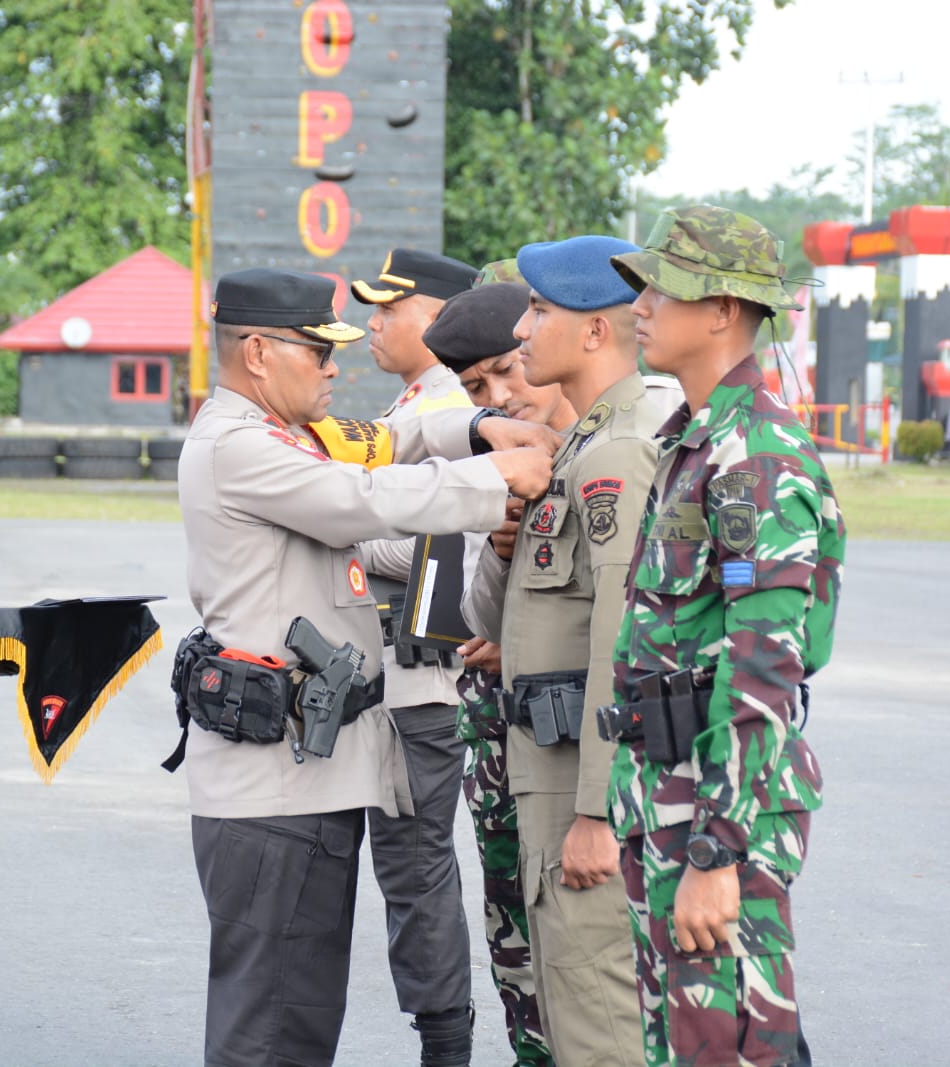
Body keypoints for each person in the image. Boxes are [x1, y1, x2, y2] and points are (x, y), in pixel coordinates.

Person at [174, 268, 555, 1067]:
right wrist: (496, 477)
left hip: (303, 781)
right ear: (256, 353)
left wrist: (479, 428)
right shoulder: (240, 444)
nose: (332, 367)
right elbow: (365, 498)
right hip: (270, 792)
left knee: (300, 1018)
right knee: (270, 1029)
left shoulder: (281, 430)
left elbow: (394, 437)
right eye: (317, 351)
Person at [603, 205, 846, 1067]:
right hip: (666, 800)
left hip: (715, 814)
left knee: (730, 1047)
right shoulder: (695, 443)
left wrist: (716, 848)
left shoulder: (755, 458)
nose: (639, 305)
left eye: (661, 287)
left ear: (721, 311)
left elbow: (763, 672)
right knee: (685, 1044)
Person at [465, 234, 659, 1067]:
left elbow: (622, 644)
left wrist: (595, 812)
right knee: (571, 1022)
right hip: (547, 785)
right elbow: (497, 622)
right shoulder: (581, 446)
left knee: (602, 1033)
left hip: (581, 802)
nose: (523, 330)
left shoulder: (619, 451)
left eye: (541, 311)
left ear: (593, 333)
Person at [422, 279, 576, 1067]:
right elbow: (441, 586)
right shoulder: (471, 441)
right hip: (494, 722)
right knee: (514, 930)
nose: (501, 395)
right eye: (476, 386)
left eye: (507, 370)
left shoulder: (623, 450)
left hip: (587, 745)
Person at [348, 247, 481, 1056]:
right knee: (407, 868)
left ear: (431, 319)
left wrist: (341, 530)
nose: (371, 323)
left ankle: (445, 1045)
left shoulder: (455, 406)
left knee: (415, 867)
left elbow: (459, 544)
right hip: (387, 681)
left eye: (385, 308)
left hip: (419, 687)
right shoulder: (417, 403)